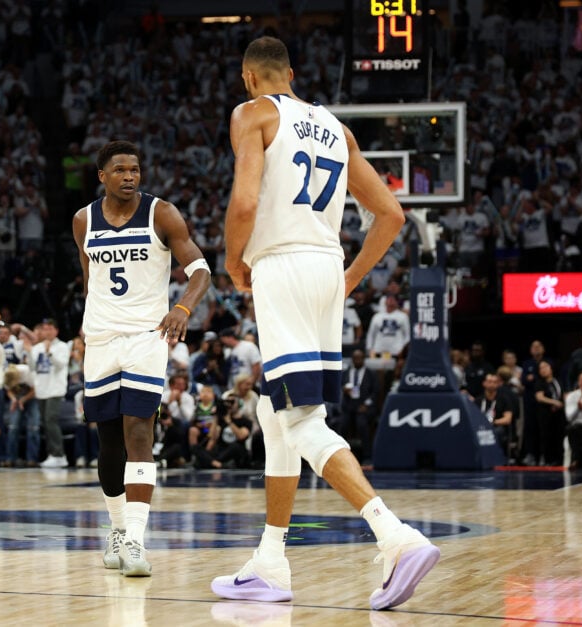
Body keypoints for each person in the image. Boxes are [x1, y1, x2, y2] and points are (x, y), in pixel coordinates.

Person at [212, 37, 438, 610]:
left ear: (248, 78)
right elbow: (390, 215)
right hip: (324, 268)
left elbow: (243, 204)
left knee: (302, 420)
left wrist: (233, 259)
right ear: (290, 72)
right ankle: (271, 559)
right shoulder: (337, 128)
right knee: (275, 410)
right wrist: (350, 278)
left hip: (282, 265)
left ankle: (395, 537)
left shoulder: (252, 113)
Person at [72, 140, 211, 577]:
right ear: (103, 176)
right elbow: (89, 279)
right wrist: (86, 327)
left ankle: (135, 539)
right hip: (100, 339)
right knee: (107, 442)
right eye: (120, 169)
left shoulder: (161, 213)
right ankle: (115, 530)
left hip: (147, 337)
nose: (130, 176)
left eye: (135, 169)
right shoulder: (82, 221)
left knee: (138, 434)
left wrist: (182, 306)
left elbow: (201, 269)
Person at [30, 319, 70, 468]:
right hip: (41, 390)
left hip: (55, 389)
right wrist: (29, 351)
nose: (47, 332)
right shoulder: (37, 347)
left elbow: (61, 366)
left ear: (56, 331)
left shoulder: (62, 346)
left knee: (51, 420)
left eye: (50, 329)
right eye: (45, 329)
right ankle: (52, 454)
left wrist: (49, 352)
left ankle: (59, 455)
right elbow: (33, 367)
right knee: (46, 423)